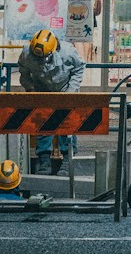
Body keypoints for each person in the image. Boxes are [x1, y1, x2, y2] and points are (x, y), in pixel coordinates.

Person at [18, 28, 86, 173]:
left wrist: (71, 92)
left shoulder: (68, 51)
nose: (41, 62)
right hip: (42, 90)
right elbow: (23, 73)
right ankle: (44, 162)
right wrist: (31, 89)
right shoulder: (26, 53)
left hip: (65, 89)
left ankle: (67, 160)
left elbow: (79, 68)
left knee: (66, 125)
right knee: (43, 125)